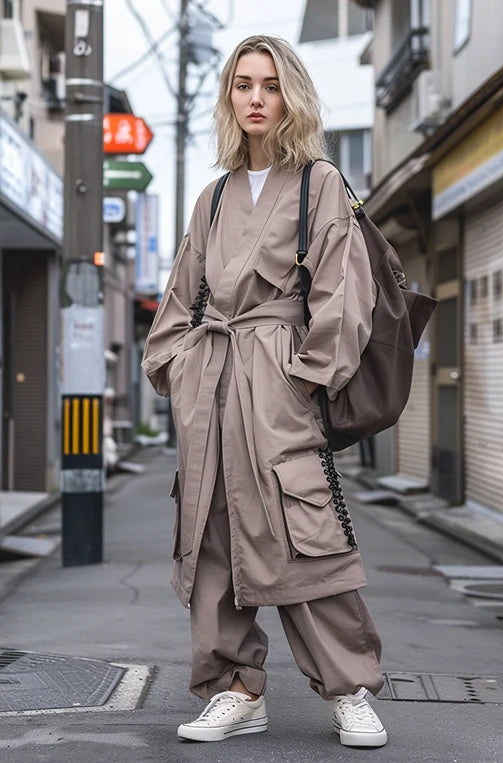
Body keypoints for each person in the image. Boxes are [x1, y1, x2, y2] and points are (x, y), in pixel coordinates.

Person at [142, 35, 387, 748]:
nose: (255, 97)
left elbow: (346, 295)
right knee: (211, 535)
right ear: (229, 97)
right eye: (243, 84)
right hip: (211, 385)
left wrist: (304, 379)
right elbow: (178, 302)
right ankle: (234, 688)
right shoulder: (212, 198)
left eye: (270, 85)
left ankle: (350, 688)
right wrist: (181, 371)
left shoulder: (319, 183)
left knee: (302, 530)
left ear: (291, 95)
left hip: (279, 382)